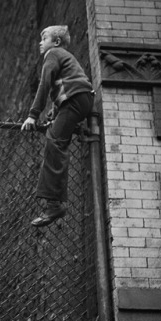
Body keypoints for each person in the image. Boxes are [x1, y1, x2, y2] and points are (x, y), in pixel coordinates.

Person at [21, 25, 94, 227]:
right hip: (80, 100)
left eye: (44, 38)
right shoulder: (64, 56)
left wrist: (33, 116)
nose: (40, 42)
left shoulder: (52, 54)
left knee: (54, 142)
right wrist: (54, 112)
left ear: (56, 41)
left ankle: (55, 205)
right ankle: (54, 202)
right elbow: (61, 86)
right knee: (57, 138)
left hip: (75, 100)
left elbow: (44, 85)